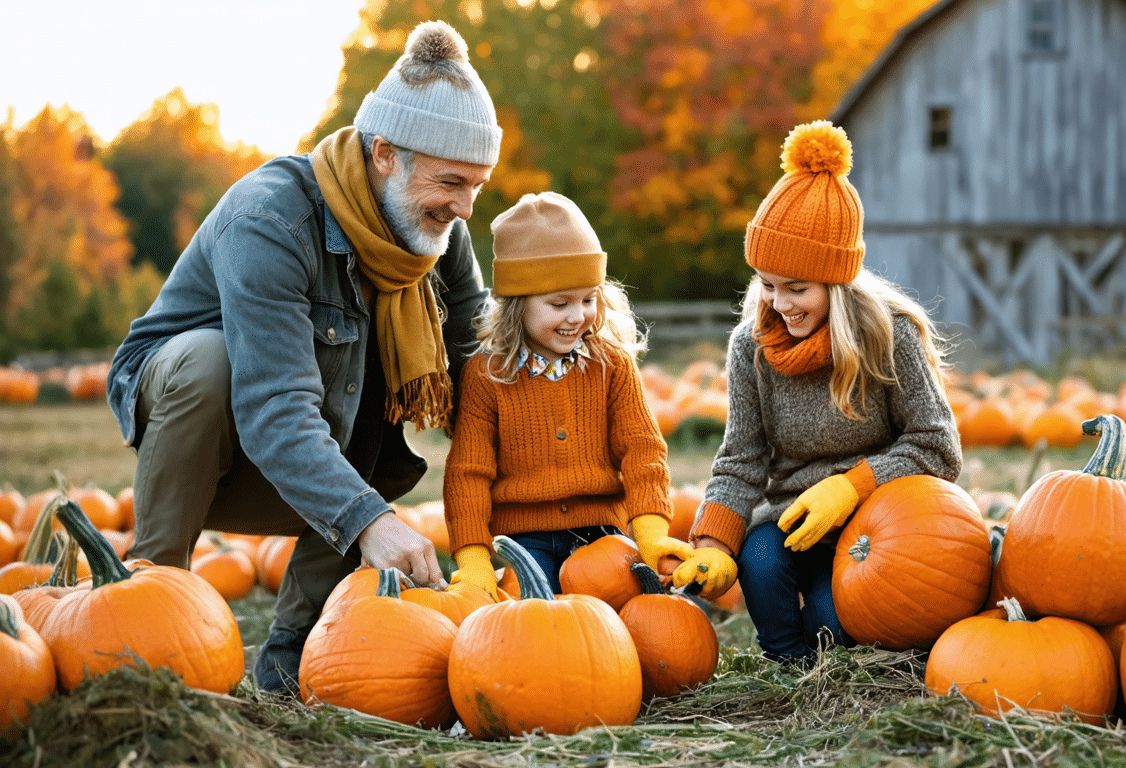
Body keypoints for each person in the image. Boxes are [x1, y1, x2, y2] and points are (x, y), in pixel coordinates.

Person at [105, 19, 502, 696]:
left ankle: (294, 643)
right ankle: (152, 596)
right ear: (385, 154)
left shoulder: (438, 231)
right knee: (209, 361)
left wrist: (539, 484)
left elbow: (477, 369)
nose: (465, 207)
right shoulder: (271, 221)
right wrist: (368, 521)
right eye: (452, 182)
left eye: (479, 185)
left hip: (314, 435)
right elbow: (272, 407)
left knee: (373, 378)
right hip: (207, 432)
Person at [670, 120, 963, 664]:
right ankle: (787, 669)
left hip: (880, 529)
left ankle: (827, 655)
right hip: (794, 522)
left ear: (838, 281)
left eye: (797, 288)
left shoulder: (889, 337)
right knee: (759, 562)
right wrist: (711, 543)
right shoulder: (751, 347)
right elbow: (741, 460)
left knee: (830, 623)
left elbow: (937, 447)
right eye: (767, 283)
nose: (779, 303)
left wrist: (852, 486)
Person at [442, 191, 693, 597]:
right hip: (523, 540)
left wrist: (649, 532)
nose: (577, 316)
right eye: (559, 303)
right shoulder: (487, 376)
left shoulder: (611, 365)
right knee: (532, 619)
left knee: (632, 616)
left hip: (601, 532)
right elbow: (467, 476)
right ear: (517, 305)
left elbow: (643, 451)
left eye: (588, 299)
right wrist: (473, 559)